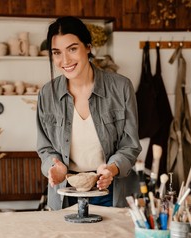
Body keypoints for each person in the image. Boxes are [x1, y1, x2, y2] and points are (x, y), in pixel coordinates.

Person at [36, 16, 142, 210]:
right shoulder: (47, 94)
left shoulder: (121, 87)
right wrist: (54, 168)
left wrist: (111, 168)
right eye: (57, 53)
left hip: (109, 190)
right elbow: (45, 148)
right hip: (66, 192)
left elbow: (130, 145)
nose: (65, 60)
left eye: (72, 49)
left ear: (88, 47)